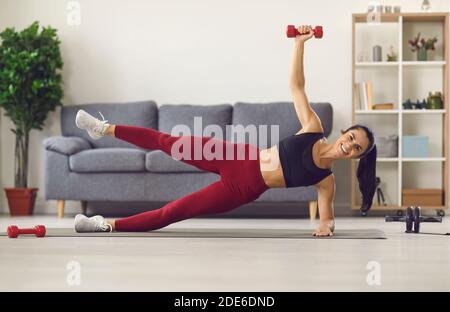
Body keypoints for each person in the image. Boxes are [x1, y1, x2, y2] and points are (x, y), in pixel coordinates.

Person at [74, 25, 377, 237]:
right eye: (351, 137)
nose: (349, 146)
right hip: (238, 155)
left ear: (356, 158)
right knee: (168, 141)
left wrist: (327, 226)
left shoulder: (325, 181)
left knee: (175, 211)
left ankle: (106, 225)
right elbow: (297, 86)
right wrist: (298, 45)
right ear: (344, 132)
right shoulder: (313, 128)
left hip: (243, 188)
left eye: (357, 148)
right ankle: (105, 128)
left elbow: (327, 219)